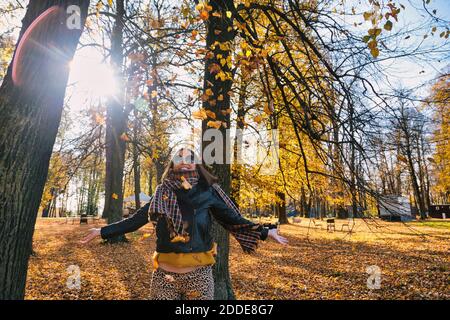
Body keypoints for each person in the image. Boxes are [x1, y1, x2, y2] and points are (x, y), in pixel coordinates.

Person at [81, 147, 288, 300]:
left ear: (197, 163)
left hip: (199, 276)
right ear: (172, 164)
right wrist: (102, 231)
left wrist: (264, 232)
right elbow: (136, 220)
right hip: (163, 276)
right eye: (179, 157)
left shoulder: (208, 191)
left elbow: (232, 220)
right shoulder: (161, 192)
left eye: (190, 157)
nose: (185, 161)